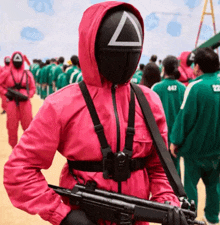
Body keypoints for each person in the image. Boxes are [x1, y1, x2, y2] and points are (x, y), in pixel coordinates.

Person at [4, 2, 184, 225]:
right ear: (92, 49)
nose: (124, 61)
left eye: (131, 54)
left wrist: (167, 201)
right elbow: (18, 171)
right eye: (115, 54)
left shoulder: (149, 102)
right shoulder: (61, 105)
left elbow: (158, 169)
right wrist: (64, 215)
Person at [170, 47, 220, 225]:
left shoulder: (196, 87)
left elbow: (185, 117)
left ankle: (190, 219)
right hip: (217, 150)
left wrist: (175, 141)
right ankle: (213, 218)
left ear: (198, 66)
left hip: (195, 151)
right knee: (214, 186)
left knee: (190, 187)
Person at [151, 55, 186, 176]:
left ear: (164, 68)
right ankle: (178, 194)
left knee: (160, 171)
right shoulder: (183, 88)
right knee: (176, 170)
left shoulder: (156, 88)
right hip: (177, 138)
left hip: (161, 137)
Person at [0, 51, 36, 148]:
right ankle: (14, 148)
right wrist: (5, 92)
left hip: (25, 103)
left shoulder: (27, 73)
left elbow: (33, 88)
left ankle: (28, 147)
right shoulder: (6, 73)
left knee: (28, 126)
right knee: (11, 127)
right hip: (11, 102)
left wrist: (28, 95)